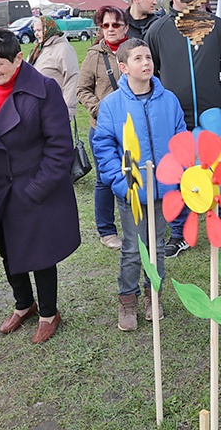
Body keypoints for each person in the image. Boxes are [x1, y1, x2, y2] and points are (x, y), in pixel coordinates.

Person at [0, 29, 80, 345]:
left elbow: (60, 146)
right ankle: (23, 304)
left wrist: (39, 189)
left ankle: (48, 313)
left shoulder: (44, 89)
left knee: (40, 254)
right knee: (7, 250)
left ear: (18, 58)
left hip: (32, 186)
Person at [92, 37, 185, 331]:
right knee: (133, 247)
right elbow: (104, 146)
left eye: (148, 58)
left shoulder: (168, 100)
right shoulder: (111, 106)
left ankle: (152, 295)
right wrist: (121, 182)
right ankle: (127, 300)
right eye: (138, 59)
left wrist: (177, 174)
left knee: (157, 245)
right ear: (123, 67)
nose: (146, 63)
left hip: (162, 190)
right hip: (131, 192)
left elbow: (180, 139)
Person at [145, 0, 221, 257]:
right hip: (175, 121)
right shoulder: (158, 30)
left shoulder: (216, 26)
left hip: (210, 115)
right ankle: (179, 233)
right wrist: (161, 104)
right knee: (177, 176)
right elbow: (149, 71)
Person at [77, 6, 129, 250]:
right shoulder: (94, 55)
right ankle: (107, 230)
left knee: (136, 173)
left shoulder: (135, 50)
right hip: (103, 129)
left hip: (133, 128)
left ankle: (137, 223)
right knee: (105, 180)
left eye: (115, 25)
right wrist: (100, 111)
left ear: (125, 27)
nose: (110, 29)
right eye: (105, 25)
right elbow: (82, 89)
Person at [27, 16, 79, 119]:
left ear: (49, 29)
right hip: (35, 109)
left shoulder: (64, 49)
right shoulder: (37, 50)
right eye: (35, 31)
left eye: (39, 30)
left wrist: (68, 111)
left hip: (55, 109)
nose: (36, 34)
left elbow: (72, 79)